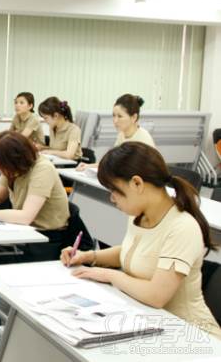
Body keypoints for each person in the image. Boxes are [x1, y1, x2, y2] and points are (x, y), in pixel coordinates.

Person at [63, 142, 221, 339]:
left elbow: (156, 296)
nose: (112, 198)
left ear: (137, 183)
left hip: (192, 336)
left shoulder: (182, 227)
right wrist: (88, 256)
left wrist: (109, 275)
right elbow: (131, 252)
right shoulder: (139, 215)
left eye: (114, 191)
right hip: (150, 322)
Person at [0, 131, 74, 348]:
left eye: (2, 166)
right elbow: (0, 193)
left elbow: (26, 216)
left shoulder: (42, 170)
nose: (1, 171)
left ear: (16, 159)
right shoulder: (12, 167)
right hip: (24, 233)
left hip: (46, 240)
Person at [76, 93, 155, 171]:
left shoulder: (143, 139)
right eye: (114, 116)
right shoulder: (122, 135)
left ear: (134, 117)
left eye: (120, 116)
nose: (115, 121)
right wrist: (88, 166)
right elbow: (112, 162)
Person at [37, 96, 83, 161]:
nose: (44, 121)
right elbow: (57, 149)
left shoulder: (74, 130)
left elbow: (69, 155)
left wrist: (50, 152)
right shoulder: (52, 128)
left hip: (72, 165)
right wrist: (43, 148)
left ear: (56, 115)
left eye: (46, 118)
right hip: (58, 162)